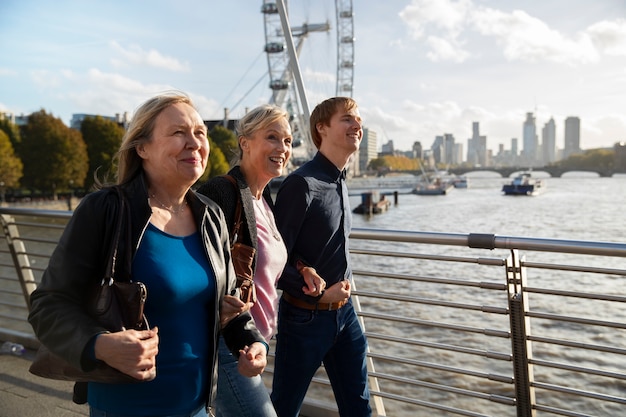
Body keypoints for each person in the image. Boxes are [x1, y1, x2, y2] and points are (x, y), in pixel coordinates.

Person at [28, 92, 268, 417]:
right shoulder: (106, 211)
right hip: (126, 406)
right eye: (178, 132)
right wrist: (100, 344)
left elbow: (228, 305)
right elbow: (48, 304)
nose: (194, 142)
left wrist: (252, 342)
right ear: (142, 148)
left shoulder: (210, 216)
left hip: (197, 406)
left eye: (200, 132)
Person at [197, 104, 324, 417]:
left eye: (288, 141)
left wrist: (302, 268)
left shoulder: (263, 201)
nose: (282, 148)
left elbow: (266, 257)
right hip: (227, 344)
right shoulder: (222, 192)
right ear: (245, 142)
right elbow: (198, 261)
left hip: (256, 344)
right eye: (272, 137)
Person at [271, 97, 372, 417]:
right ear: (322, 128)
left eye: (358, 119)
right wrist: (314, 291)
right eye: (347, 119)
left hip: (345, 315)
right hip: (304, 320)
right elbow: (273, 258)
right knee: (285, 407)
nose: (357, 125)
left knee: (359, 406)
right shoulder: (301, 184)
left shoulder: (340, 181)